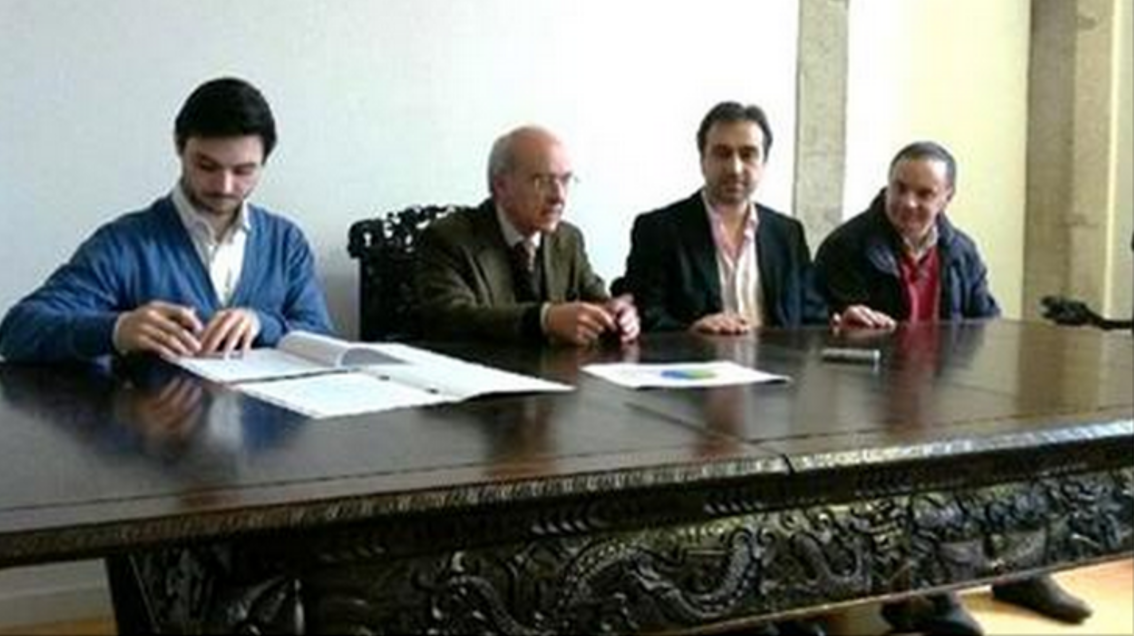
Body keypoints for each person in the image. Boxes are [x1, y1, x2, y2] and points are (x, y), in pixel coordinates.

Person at [814, 141, 1092, 635]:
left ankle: (1023, 571)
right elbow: (815, 327)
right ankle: (930, 594)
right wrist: (845, 320)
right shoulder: (847, 246)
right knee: (921, 467)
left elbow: (986, 323)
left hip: (945, 392)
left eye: (925, 194)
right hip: (871, 402)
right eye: (900, 188)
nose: (909, 203)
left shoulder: (961, 250)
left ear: (947, 198)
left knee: (1024, 448)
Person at [0, 77, 333, 362]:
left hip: (266, 422)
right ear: (178, 146)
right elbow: (17, 331)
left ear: (265, 160)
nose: (224, 186)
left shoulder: (285, 242)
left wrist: (262, 324)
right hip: (155, 420)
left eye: (244, 171)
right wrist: (117, 330)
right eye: (206, 166)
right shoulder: (125, 244)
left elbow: (321, 338)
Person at [415, 125, 638, 346]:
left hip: (556, 368)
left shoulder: (568, 239)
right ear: (501, 185)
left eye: (565, 180)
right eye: (542, 181)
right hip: (482, 366)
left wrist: (619, 316)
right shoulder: (448, 238)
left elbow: (597, 301)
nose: (559, 196)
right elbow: (449, 319)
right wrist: (542, 320)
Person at [618, 101, 823, 334]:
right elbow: (645, 316)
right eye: (722, 154)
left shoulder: (788, 234)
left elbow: (813, 317)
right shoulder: (658, 230)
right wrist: (692, 331)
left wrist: (841, 325)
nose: (735, 168)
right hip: (693, 356)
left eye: (748, 154)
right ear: (702, 160)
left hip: (776, 358)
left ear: (764, 162)